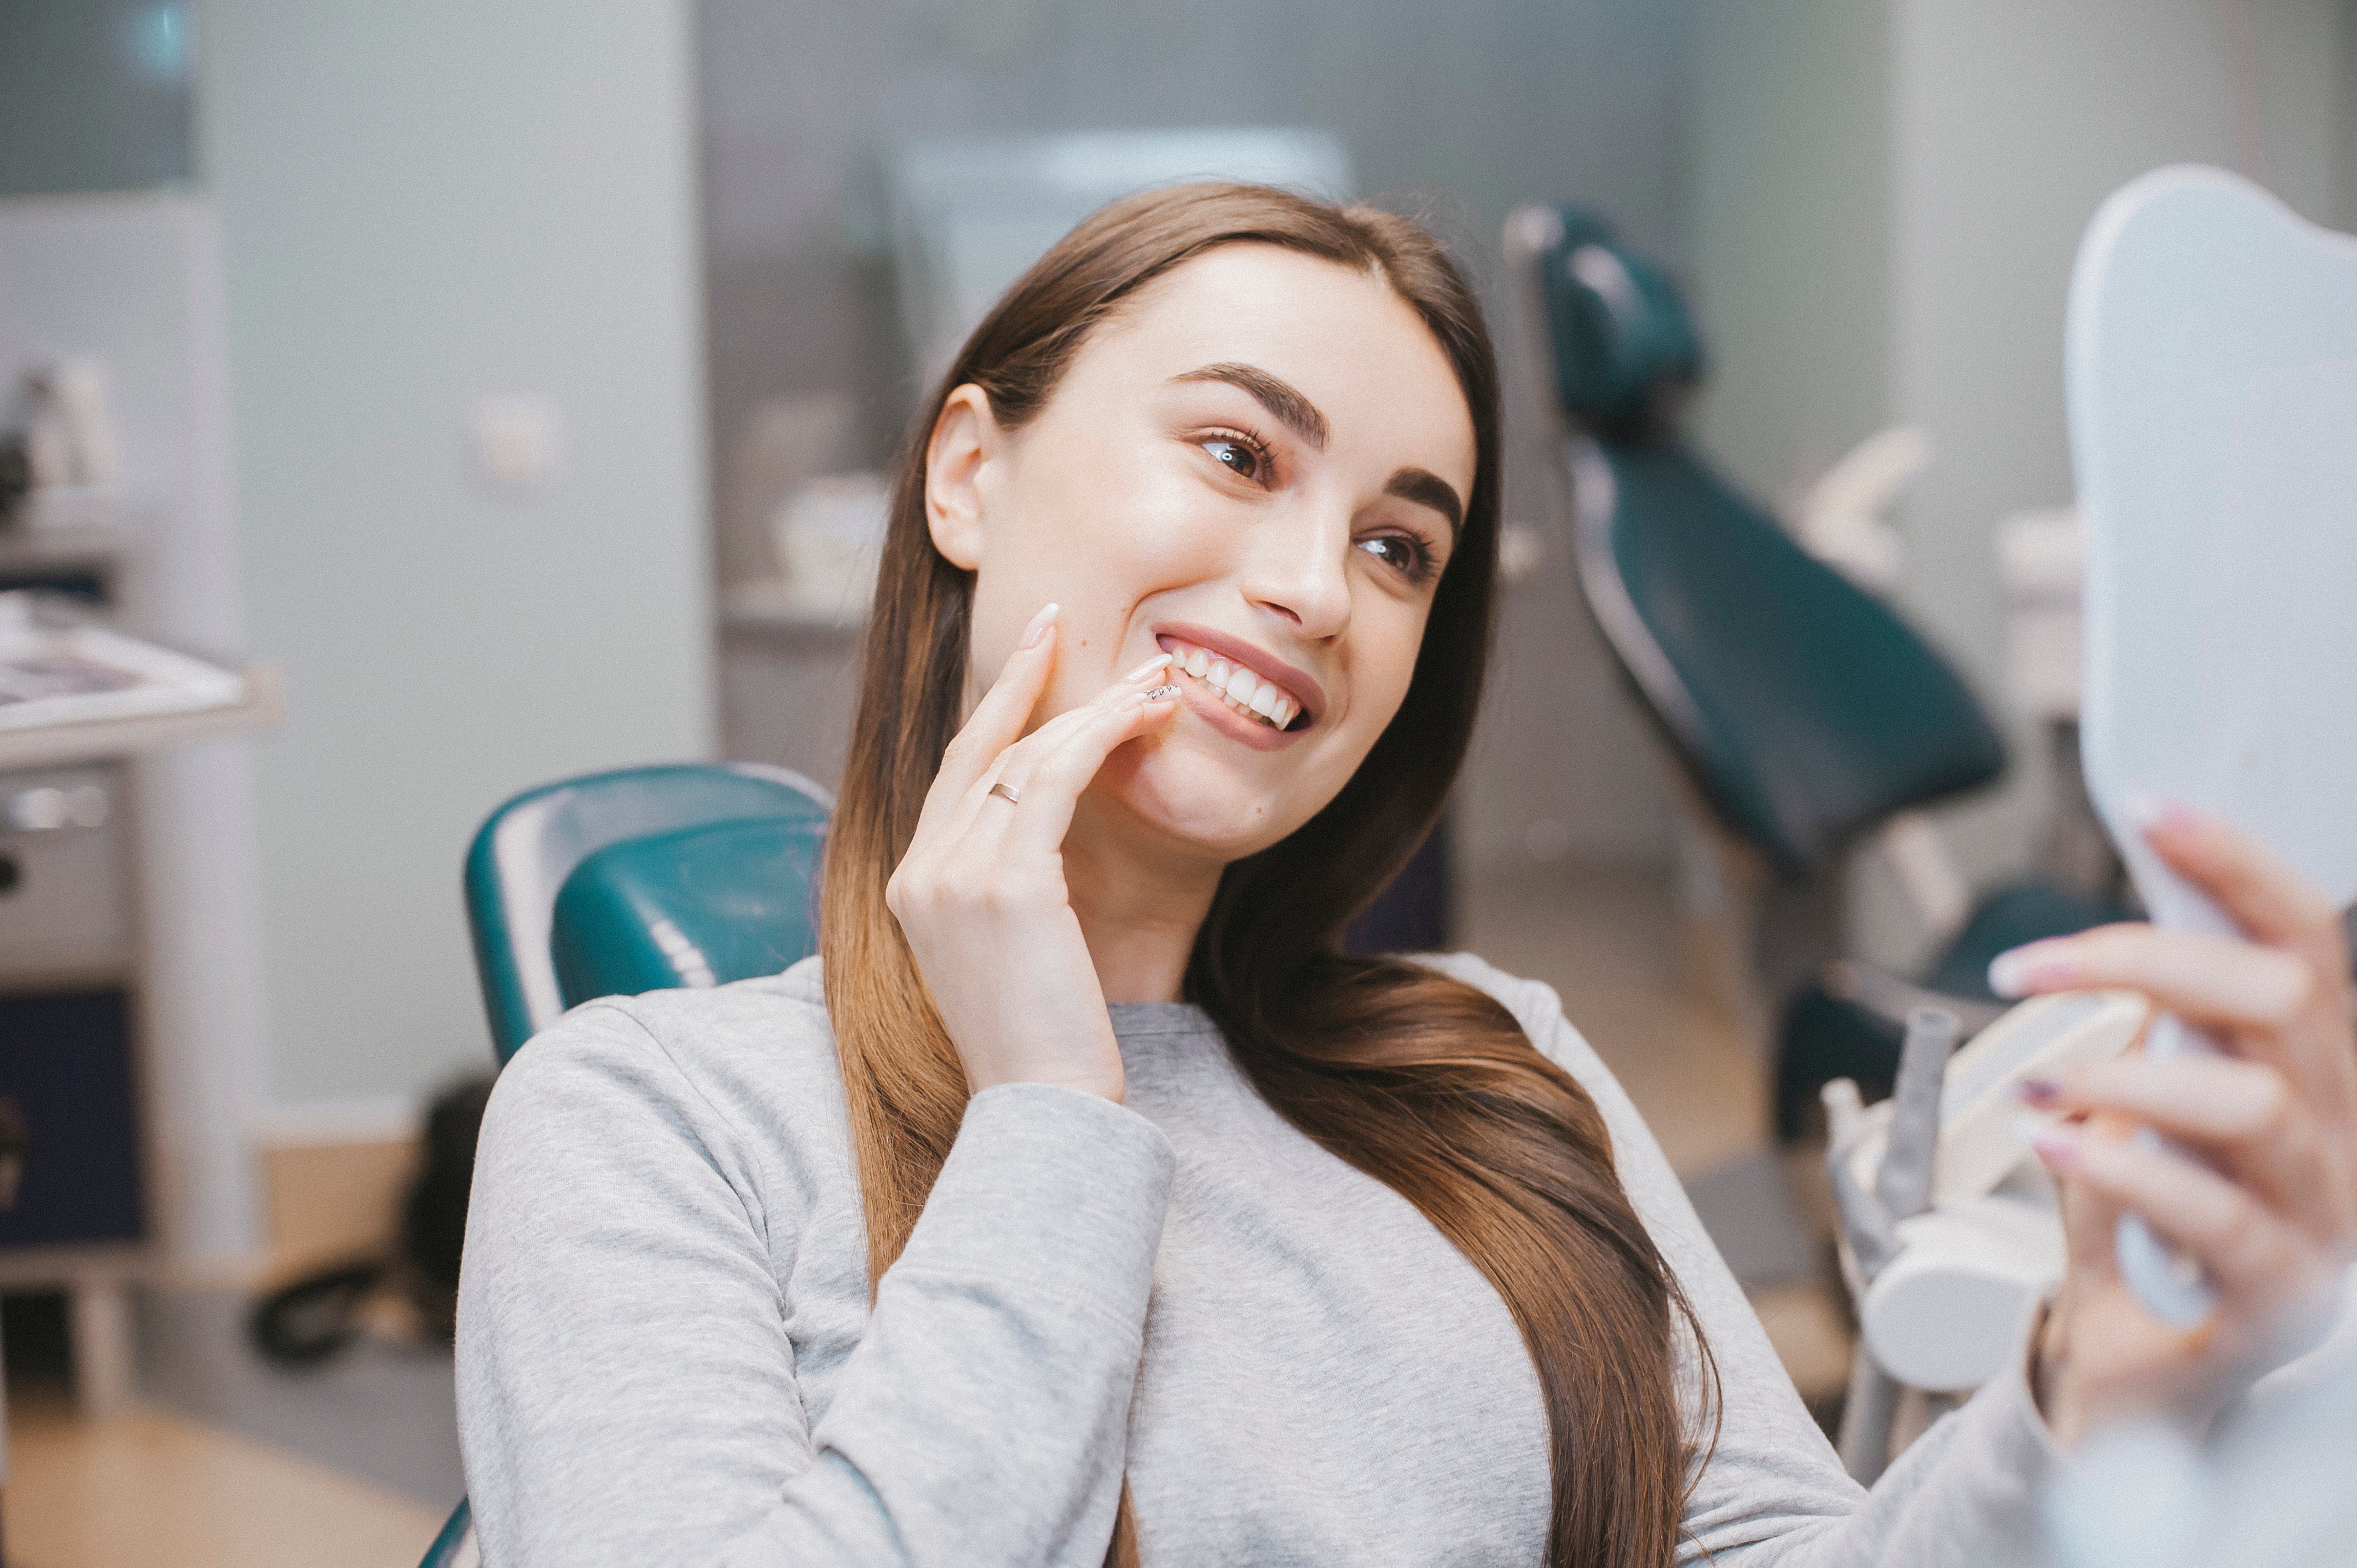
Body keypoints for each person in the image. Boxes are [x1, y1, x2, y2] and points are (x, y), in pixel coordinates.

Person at [455, 184, 2356, 1567]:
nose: (1309, 587)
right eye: (1230, 450)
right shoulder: (645, 1121)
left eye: (1394, 547)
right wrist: (1047, 1110)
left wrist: (2087, 1384)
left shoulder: (1494, 1062)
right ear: (967, 468)